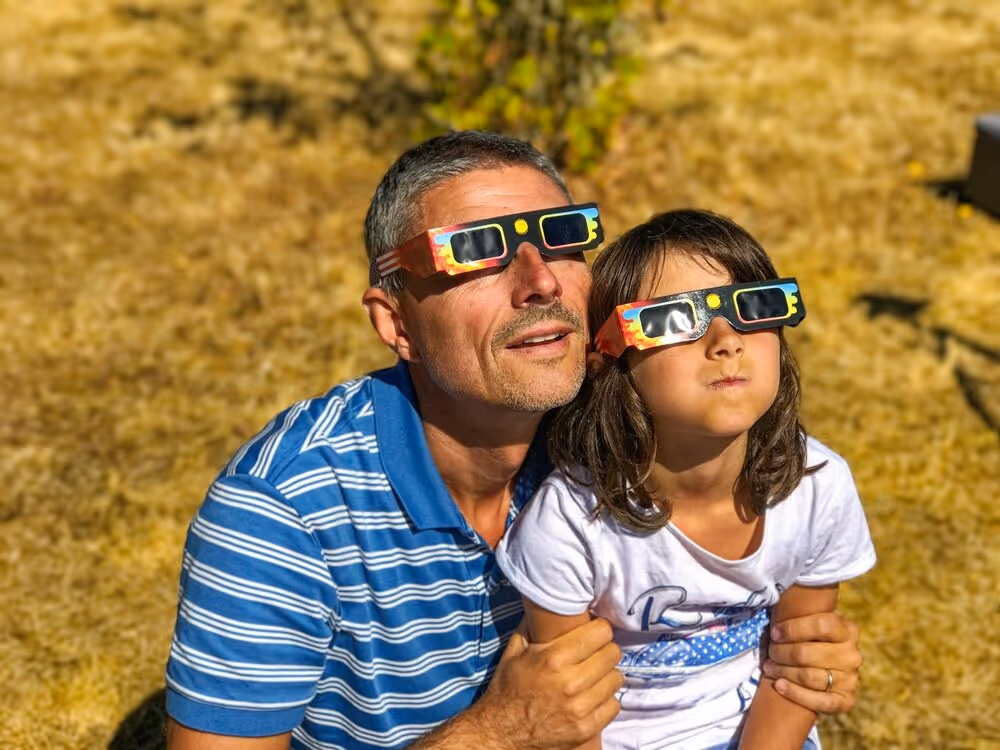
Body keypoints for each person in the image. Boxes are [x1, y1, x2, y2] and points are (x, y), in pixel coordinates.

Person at [164, 132, 868, 750]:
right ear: (395, 321)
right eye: (474, 253)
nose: (538, 282)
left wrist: (800, 652)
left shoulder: (622, 427)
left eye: (561, 237)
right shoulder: (282, 509)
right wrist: (498, 732)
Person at [495, 209, 877, 750]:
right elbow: (565, 713)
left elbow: (801, 669)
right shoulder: (571, 522)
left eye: (752, 307)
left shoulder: (817, 487)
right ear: (608, 358)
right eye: (675, 318)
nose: (726, 340)